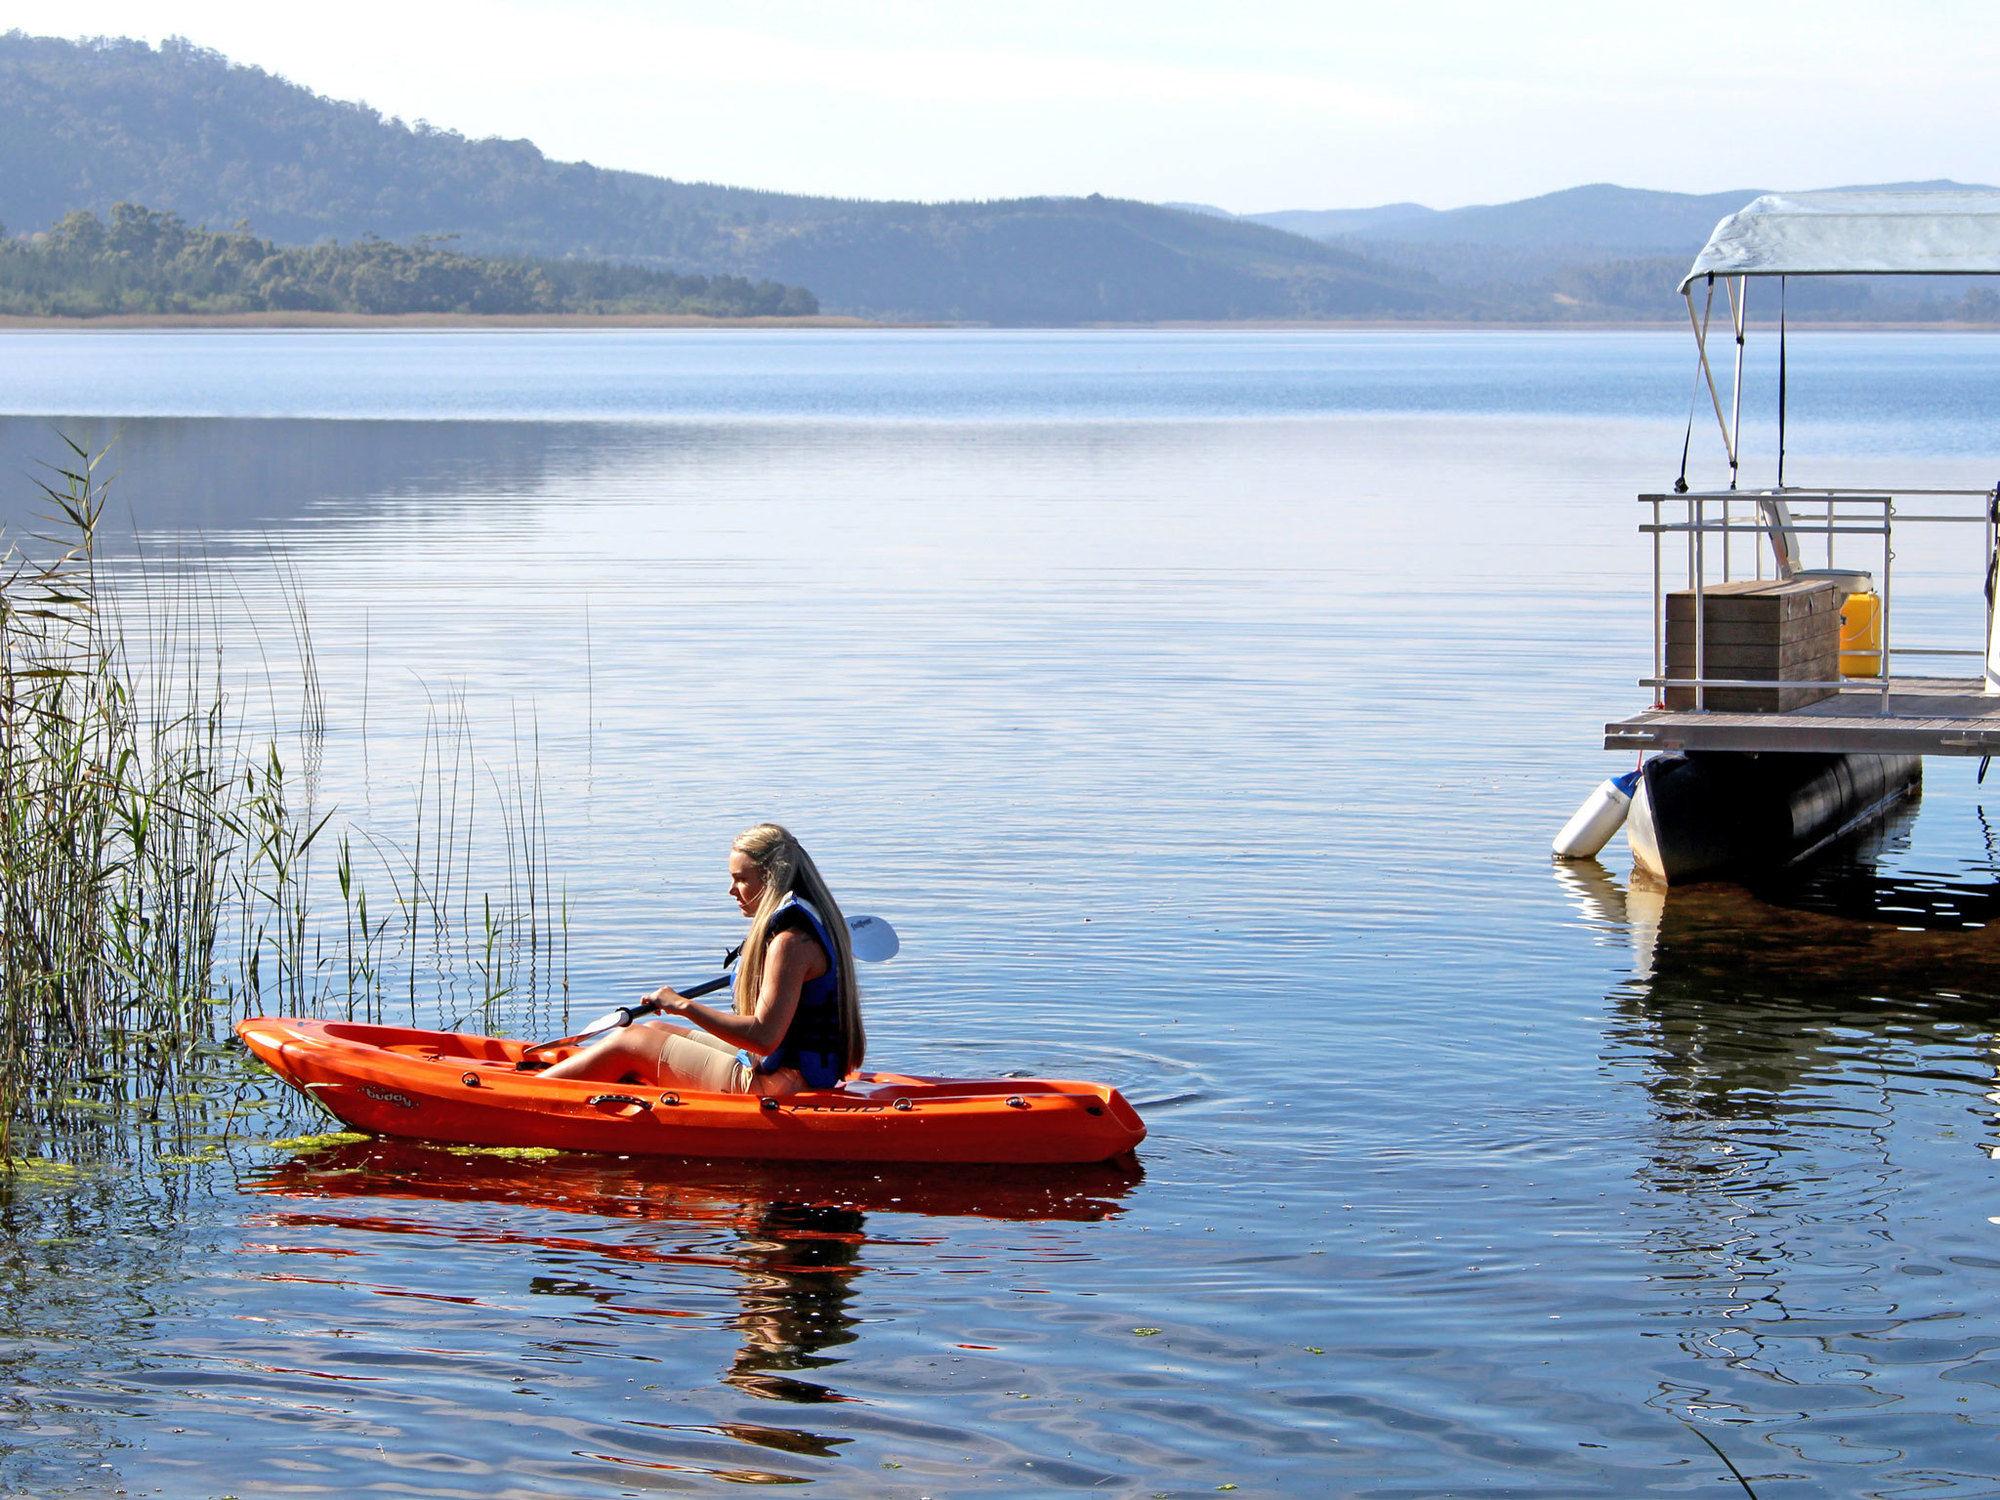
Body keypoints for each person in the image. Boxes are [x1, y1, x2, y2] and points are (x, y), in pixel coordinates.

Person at [542, 823, 864, 1094]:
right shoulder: (814, 919)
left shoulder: (791, 942)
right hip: (786, 1072)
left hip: (780, 1084)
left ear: (771, 878)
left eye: (741, 878)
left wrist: (684, 1006)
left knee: (631, 1040)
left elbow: (764, 1037)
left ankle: (530, 1097)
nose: (731, 890)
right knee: (654, 1027)